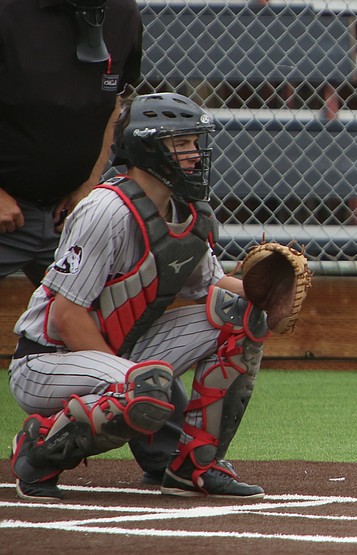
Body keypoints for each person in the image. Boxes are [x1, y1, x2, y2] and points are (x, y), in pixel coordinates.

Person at [0, 0, 185, 485]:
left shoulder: (122, 12)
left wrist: (89, 184)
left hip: (69, 209)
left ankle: (165, 453)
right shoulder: (5, 6)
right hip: (4, 203)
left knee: (114, 323)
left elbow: (114, 107)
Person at [8, 93, 270, 502]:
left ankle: (195, 464)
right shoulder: (105, 209)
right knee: (145, 387)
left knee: (240, 314)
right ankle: (39, 450)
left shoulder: (187, 209)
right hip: (47, 361)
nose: (195, 154)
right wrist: (128, 380)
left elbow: (212, 289)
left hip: (123, 348)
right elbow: (67, 316)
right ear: (147, 147)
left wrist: (266, 294)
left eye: (193, 143)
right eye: (181, 143)